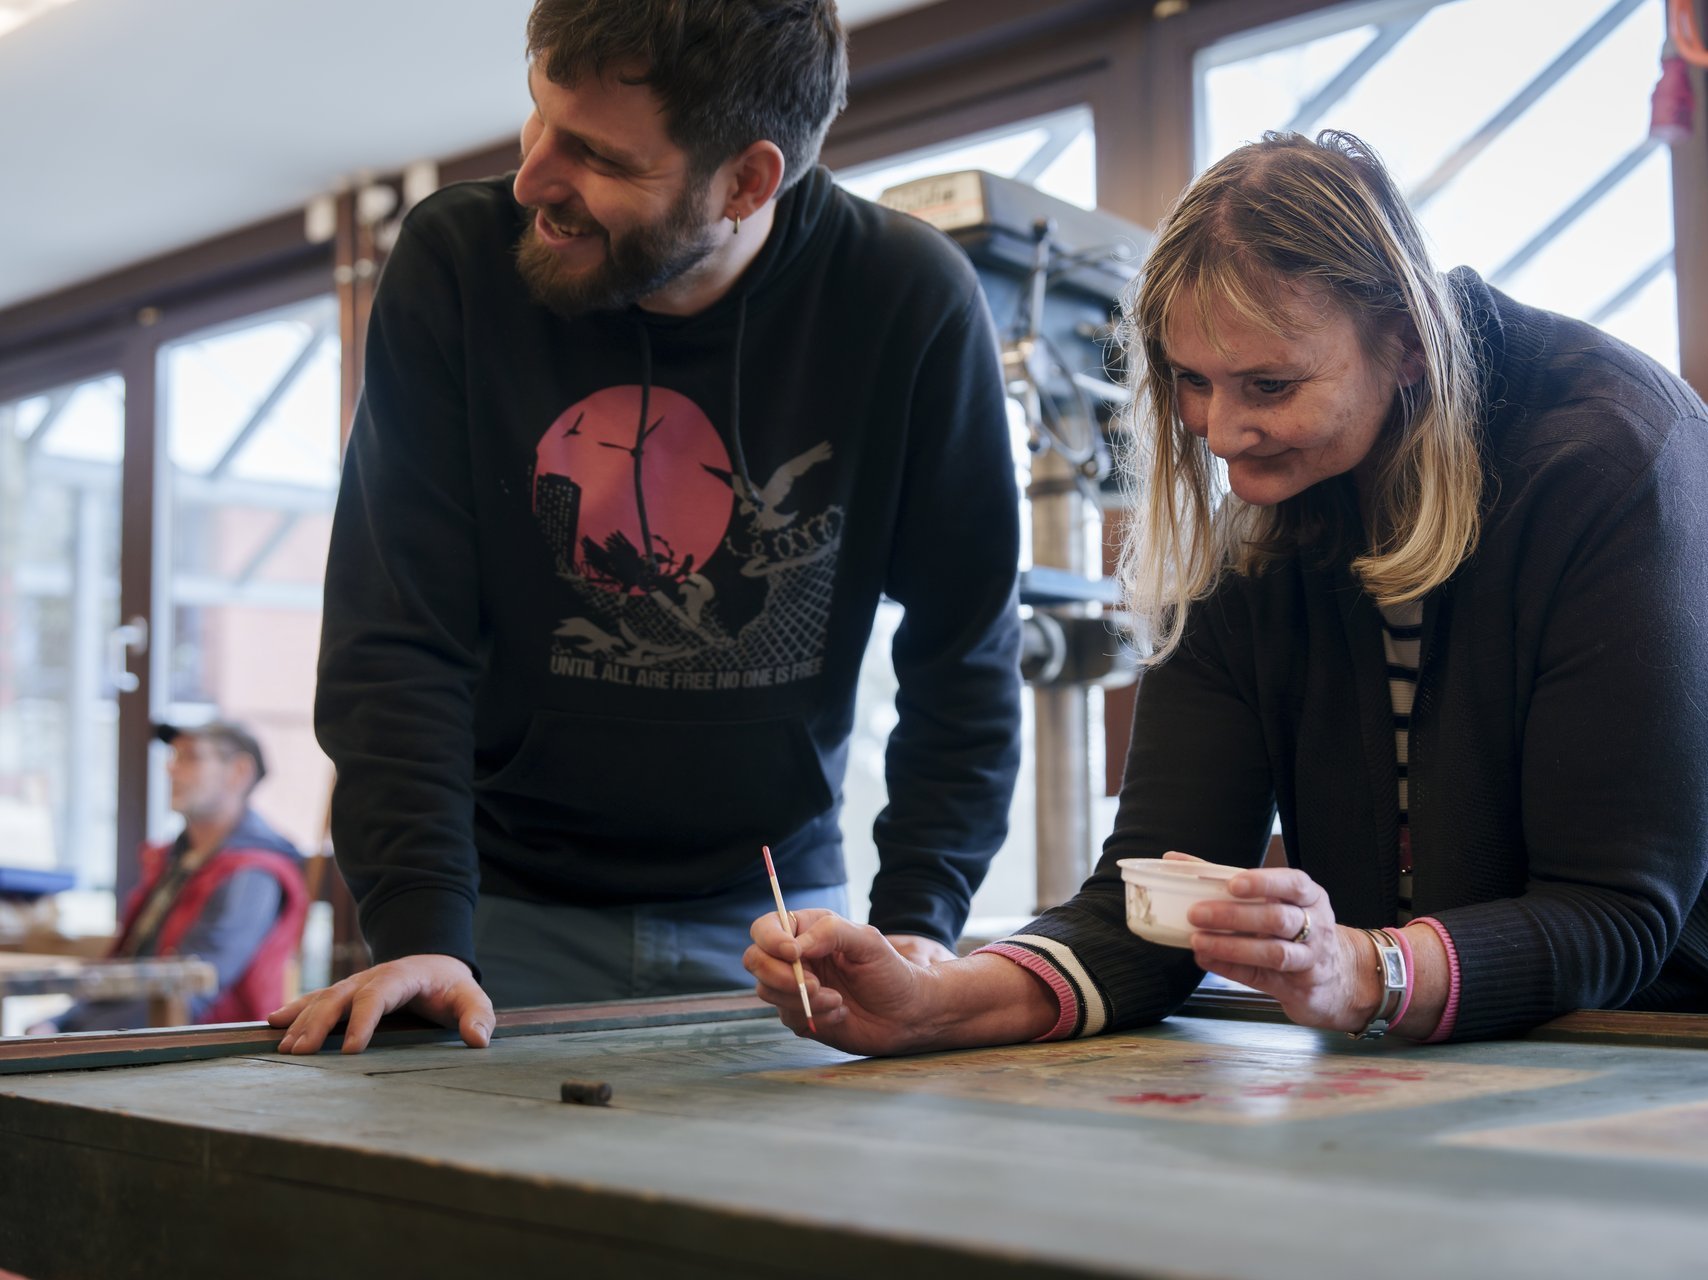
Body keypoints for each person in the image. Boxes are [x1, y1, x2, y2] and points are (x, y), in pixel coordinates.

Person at [746, 129, 1708, 1056]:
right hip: (1402, 1059)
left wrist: (1367, 970)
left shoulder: (1610, 465)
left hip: (1654, 1050)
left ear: (1407, 342)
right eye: (1191, 382)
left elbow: (1616, 912)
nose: (1220, 430)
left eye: (1271, 385)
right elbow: (1152, 899)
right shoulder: (1269, 517)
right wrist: (931, 1002)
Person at [271, 0, 1021, 1055]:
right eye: (539, 119)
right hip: (491, 915)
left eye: (595, 155)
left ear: (748, 181)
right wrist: (421, 923)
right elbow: (396, 634)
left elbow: (965, 650)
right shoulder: (457, 265)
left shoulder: (906, 300)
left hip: (785, 922)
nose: (532, 176)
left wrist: (914, 929)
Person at [36, 721, 308, 1033]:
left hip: (208, 1055)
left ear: (239, 772)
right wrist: (60, 1022)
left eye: (191, 757)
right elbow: (132, 966)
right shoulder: (177, 860)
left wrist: (74, 1032)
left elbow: (194, 992)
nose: (172, 770)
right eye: (174, 756)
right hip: (138, 1035)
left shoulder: (253, 871)